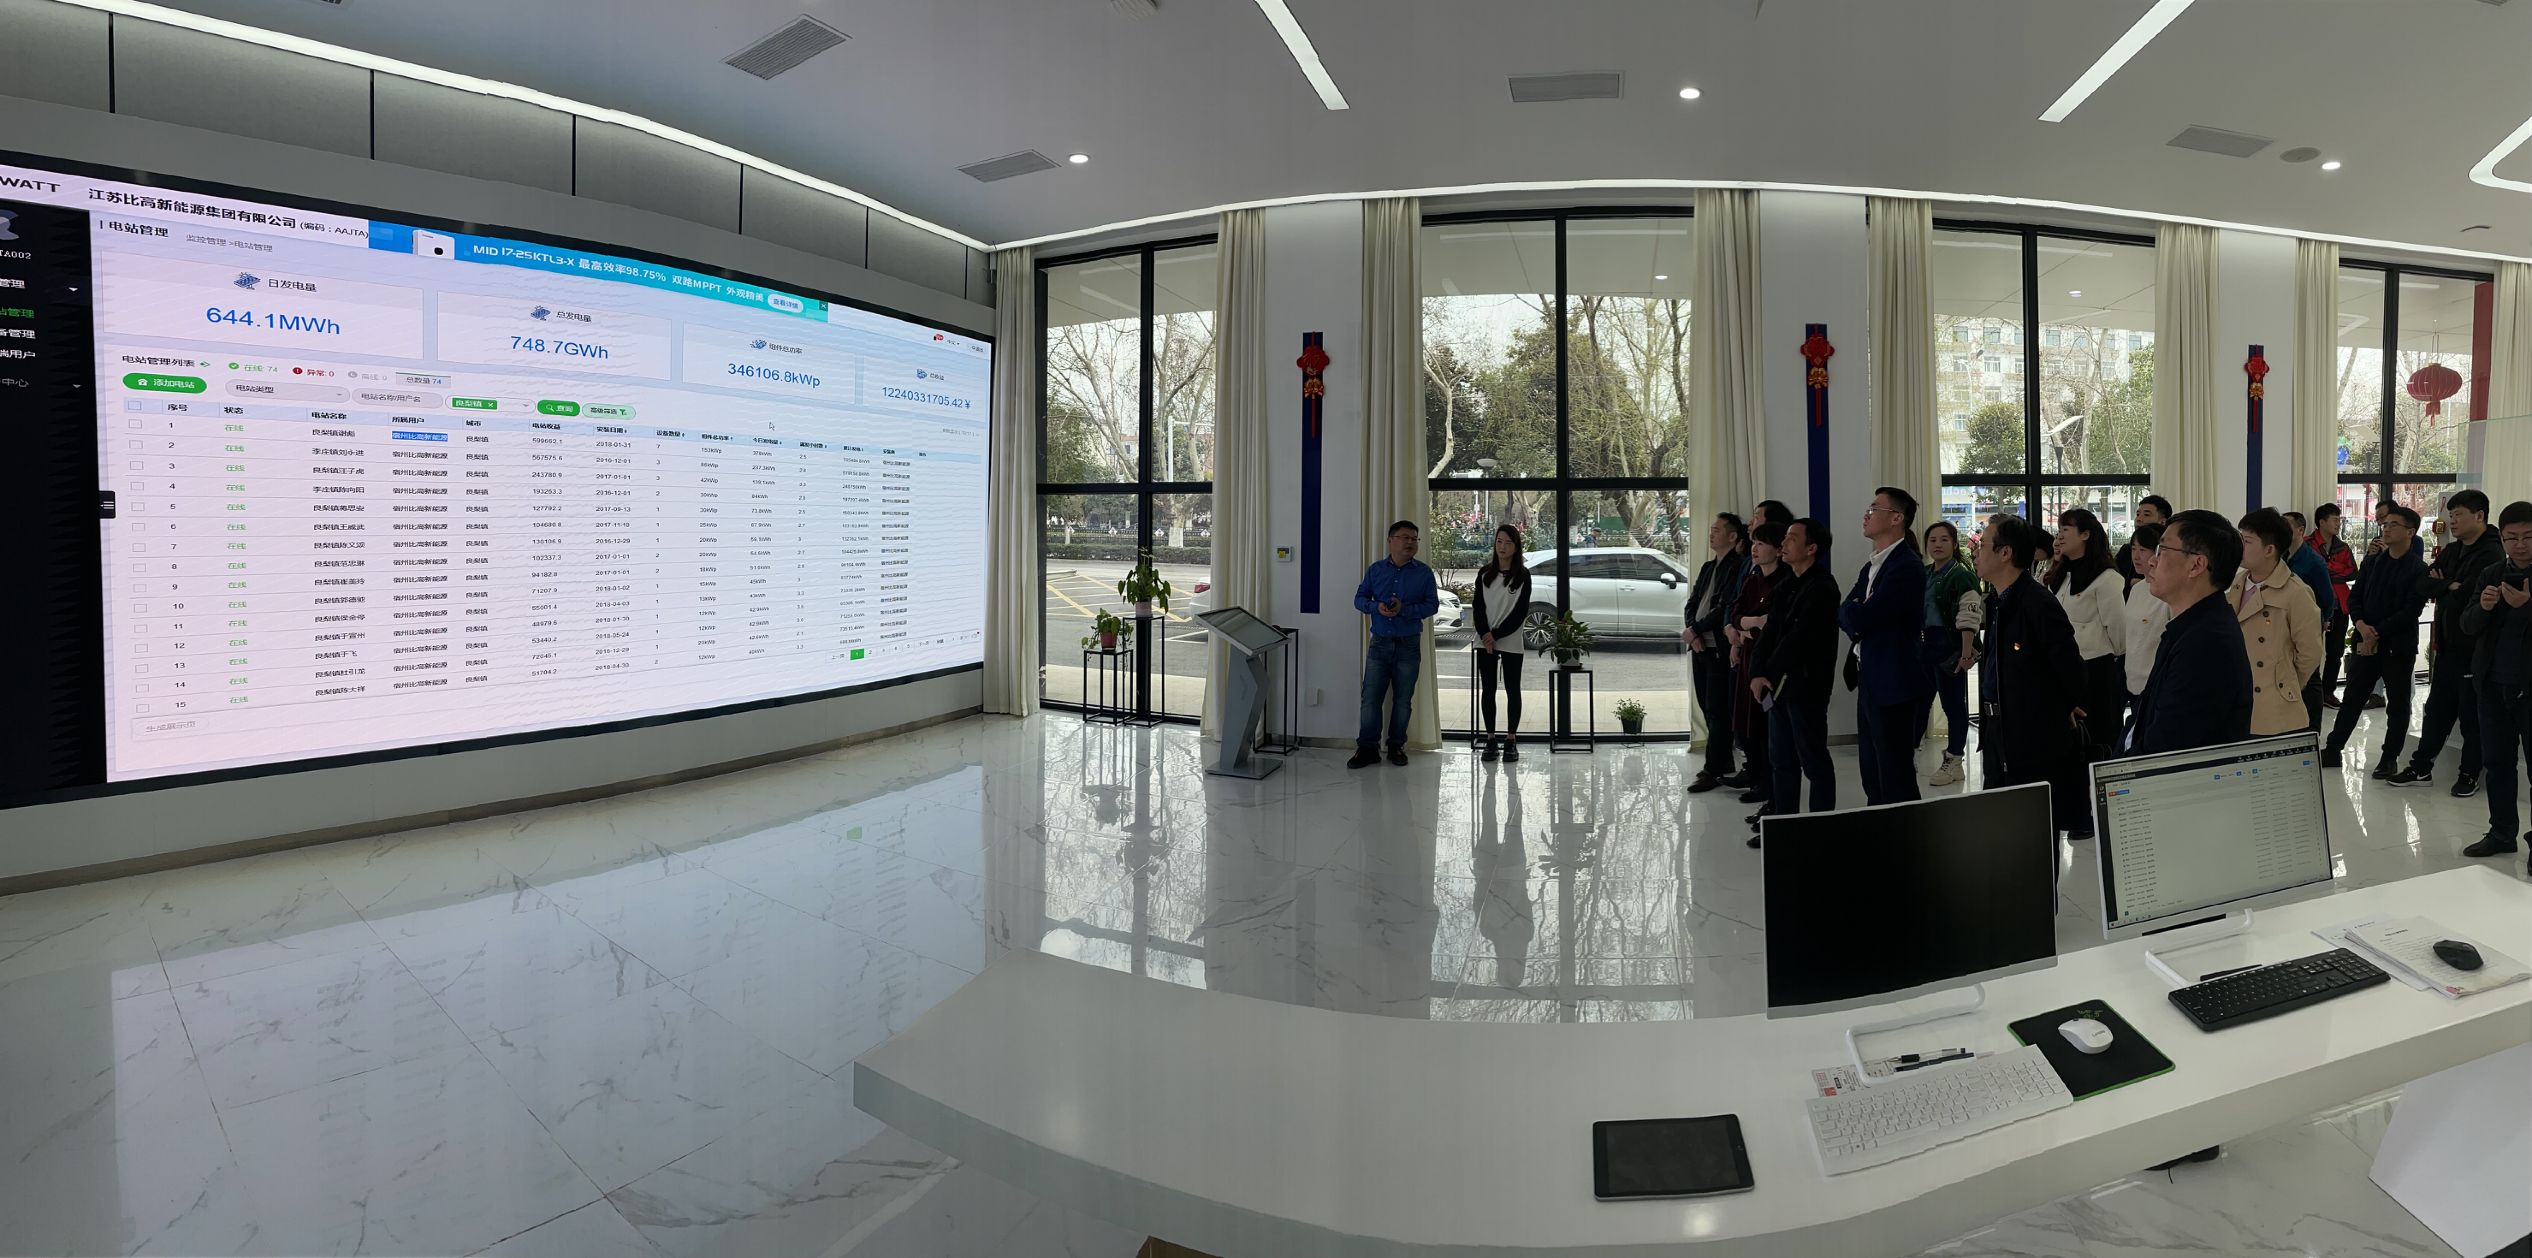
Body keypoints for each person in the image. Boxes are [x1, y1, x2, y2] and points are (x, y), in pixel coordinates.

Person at [1975, 515, 2090, 837]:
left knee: (2032, 831)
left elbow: (2071, 671)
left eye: (1983, 545)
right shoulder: (1998, 600)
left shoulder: (2036, 603)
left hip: (2029, 738)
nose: (1976, 552)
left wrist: (2053, 712)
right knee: (2001, 825)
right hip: (1997, 729)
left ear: (2005, 553)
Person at [2387, 490, 2501, 795]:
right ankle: (2421, 767)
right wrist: (2449, 586)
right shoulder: (2453, 550)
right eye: (2451, 515)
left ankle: (2469, 774)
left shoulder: (2492, 554)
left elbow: (2469, 597)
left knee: (2470, 716)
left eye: (2458, 514)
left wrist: (2444, 587)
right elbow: (2423, 583)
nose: (2452, 521)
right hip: (2448, 647)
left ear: (2479, 516)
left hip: (2474, 649)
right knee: (2436, 710)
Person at [1749, 518, 1843, 845]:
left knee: (1814, 762)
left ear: (1811, 548)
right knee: (1782, 762)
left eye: (1791, 538)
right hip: (1777, 687)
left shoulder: (1823, 587)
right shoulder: (1787, 583)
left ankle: (1819, 832)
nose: (1784, 544)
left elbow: (1799, 640)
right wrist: (1757, 672)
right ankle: (1783, 830)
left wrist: (1768, 672)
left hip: (1806, 688)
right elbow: (1769, 632)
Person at [2130, 509, 2254, 755]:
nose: (2151, 561)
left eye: (2162, 550)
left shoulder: (2207, 643)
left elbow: (2164, 748)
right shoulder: (2190, 625)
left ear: (2196, 565)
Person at [1838, 488, 1932, 806]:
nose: (1866, 514)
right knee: (1871, 770)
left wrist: (1856, 613)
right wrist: (1855, 613)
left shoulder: (1906, 566)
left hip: (1894, 682)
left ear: (1896, 518)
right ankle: (1879, 827)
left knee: (1895, 773)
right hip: (1870, 676)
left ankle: (1905, 832)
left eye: (1874, 508)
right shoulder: (1872, 566)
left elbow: (1865, 618)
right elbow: (1845, 610)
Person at [2321, 504, 2431, 774]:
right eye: (2385, 524)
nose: (2386, 529)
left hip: (2397, 646)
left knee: (2398, 704)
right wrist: (2360, 624)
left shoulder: (2418, 569)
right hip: (2365, 640)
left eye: (2394, 524)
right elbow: (2356, 596)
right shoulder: (2372, 562)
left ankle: (2389, 757)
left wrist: (2376, 631)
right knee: (2353, 698)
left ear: (2410, 532)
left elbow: (2411, 611)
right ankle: (2333, 749)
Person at [2460, 502, 2532, 869]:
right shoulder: (2492, 573)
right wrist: (2485, 607)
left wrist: (2528, 605)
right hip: (2492, 685)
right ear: (2501, 538)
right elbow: (2467, 625)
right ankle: (2502, 833)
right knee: (2497, 764)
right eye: (2511, 538)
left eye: (2528, 537)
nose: (2519, 545)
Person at [1350, 520, 1438, 768]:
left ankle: (1396, 746)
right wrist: (1375, 607)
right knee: (1370, 699)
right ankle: (1367, 749)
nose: (1410, 542)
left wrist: (1404, 610)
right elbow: (1359, 599)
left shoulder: (1424, 573)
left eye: (1414, 539)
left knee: (1403, 700)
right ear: (1390, 541)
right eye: (1405, 537)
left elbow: (1432, 605)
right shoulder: (1376, 570)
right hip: (1380, 644)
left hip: (1408, 645)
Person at [2232, 508, 2325, 737]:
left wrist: (2283, 684)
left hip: (2273, 708)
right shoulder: (2236, 583)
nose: (2239, 546)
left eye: (2247, 541)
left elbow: (2310, 653)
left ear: (2269, 550)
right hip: (2237, 700)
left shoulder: (2296, 592)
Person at [2046, 508, 2129, 757]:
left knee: (2096, 737)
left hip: (2095, 670)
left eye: (2066, 529)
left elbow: (2118, 629)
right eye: (2059, 530)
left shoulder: (2106, 577)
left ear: (2085, 535)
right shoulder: (2061, 574)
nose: (2059, 536)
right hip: (2062, 668)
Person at [1683, 514, 1750, 790]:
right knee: (1705, 706)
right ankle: (1723, 762)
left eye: (1717, 530)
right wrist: (1693, 630)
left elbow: (1724, 607)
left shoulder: (1737, 566)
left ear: (1733, 536)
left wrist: (1696, 629)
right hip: (1700, 645)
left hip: (1719, 648)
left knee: (1717, 709)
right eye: (1711, 529)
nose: (1711, 534)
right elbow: (1693, 601)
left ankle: (1713, 768)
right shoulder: (1709, 566)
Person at [1727, 521, 1788, 808]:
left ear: (1778, 549)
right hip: (1748, 659)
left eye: (1762, 544)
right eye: (1754, 543)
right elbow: (1737, 614)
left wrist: (1749, 626)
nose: (1755, 548)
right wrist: (1751, 623)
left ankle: (1770, 788)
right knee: (1747, 724)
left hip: (1769, 662)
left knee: (1767, 728)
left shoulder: (1784, 580)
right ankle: (1759, 781)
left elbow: (1772, 625)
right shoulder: (1753, 578)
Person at [1917, 521, 1981, 787]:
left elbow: (1968, 616)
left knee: (1953, 706)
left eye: (1944, 540)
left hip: (1950, 646)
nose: (1938, 545)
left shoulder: (1961, 575)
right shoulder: (1925, 573)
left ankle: (1954, 760)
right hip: (1925, 645)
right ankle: (1910, 752)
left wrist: (1965, 654)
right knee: (1919, 703)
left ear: (1954, 544)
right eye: (1932, 540)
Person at [1472, 524, 1533, 762]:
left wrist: (1495, 635)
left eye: (1508, 542)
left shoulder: (1523, 576)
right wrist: (1485, 634)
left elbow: (1520, 612)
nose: (1502, 547)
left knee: (1512, 689)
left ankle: (1511, 740)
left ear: (1516, 547)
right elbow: (1478, 607)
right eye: (1499, 541)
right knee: (1488, 690)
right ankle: (1490, 739)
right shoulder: (1484, 574)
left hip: (1510, 640)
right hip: (1485, 640)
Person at [2121, 523, 2173, 738]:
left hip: (2155, 684)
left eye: (2143, 549)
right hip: (2132, 680)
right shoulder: (2137, 589)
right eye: (2133, 548)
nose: (2136, 556)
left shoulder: (2167, 592)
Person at [2312, 503, 2358, 710]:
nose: (2339, 524)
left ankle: (2327, 692)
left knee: (2336, 651)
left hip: (2340, 604)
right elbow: (2310, 571)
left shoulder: (2343, 547)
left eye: (2340, 520)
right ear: (2322, 522)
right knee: (2308, 649)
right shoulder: (2308, 544)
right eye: (2335, 520)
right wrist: (2335, 570)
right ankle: (2309, 691)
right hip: (2314, 603)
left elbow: (2353, 572)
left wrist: (2327, 570)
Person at [2113, 494, 2174, 590]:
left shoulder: (2170, 553)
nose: (2138, 519)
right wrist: (2130, 582)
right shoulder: (2126, 550)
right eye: (2137, 514)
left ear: (2163, 522)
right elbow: (2113, 578)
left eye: (2146, 515)